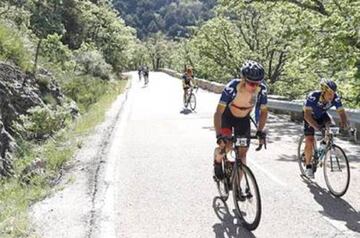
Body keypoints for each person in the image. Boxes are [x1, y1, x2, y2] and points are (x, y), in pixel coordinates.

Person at [213, 60, 268, 184]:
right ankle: (217, 161)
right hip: (227, 117)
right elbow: (218, 113)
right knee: (227, 146)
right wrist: (218, 134)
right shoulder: (232, 87)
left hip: (243, 120)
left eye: (257, 83)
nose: (254, 86)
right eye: (251, 83)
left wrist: (260, 130)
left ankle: (237, 187)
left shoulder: (262, 90)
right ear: (243, 79)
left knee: (242, 154)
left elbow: (264, 112)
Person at [302, 79, 349, 179]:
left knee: (331, 126)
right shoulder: (313, 96)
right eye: (330, 93)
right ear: (323, 92)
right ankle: (308, 166)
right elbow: (307, 115)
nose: (332, 96)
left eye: (333, 93)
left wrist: (345, 124)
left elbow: (341, 112)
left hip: (322, 115)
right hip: (310, 116)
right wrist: (318, 128)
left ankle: (323, 145)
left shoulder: (335, 98)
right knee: (310, 139)